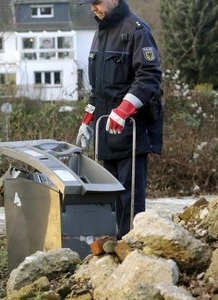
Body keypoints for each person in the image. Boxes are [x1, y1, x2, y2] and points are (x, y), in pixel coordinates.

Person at [76, 0, 163, 239]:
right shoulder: (100, 33)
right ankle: (113, 251)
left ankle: (132, 250)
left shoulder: (136, 30)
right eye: (90, 3)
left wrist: (124, 109)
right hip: (106, 132)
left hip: (132, 131)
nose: (93, 8)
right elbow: (98, 87)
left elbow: (149, 77)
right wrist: (88, 119)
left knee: (130, 201)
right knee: (110, 198)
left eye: (97, 2)